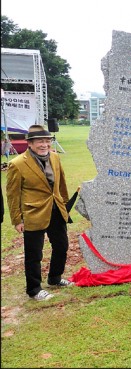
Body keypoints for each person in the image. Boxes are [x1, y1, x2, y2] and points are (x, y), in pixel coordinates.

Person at [6, 124, 74, 301]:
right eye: (39, 142)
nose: (44, 145)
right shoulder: (17, 164)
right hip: (33, 214)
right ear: (30, 143)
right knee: (34, 254)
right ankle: (34, 289)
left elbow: (61, 184)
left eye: (47, 141)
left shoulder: (55, 158)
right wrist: (17, 220)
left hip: (57, 210)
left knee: (61, 246)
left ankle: (55, 278)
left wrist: (65, 205)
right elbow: (13, 195)